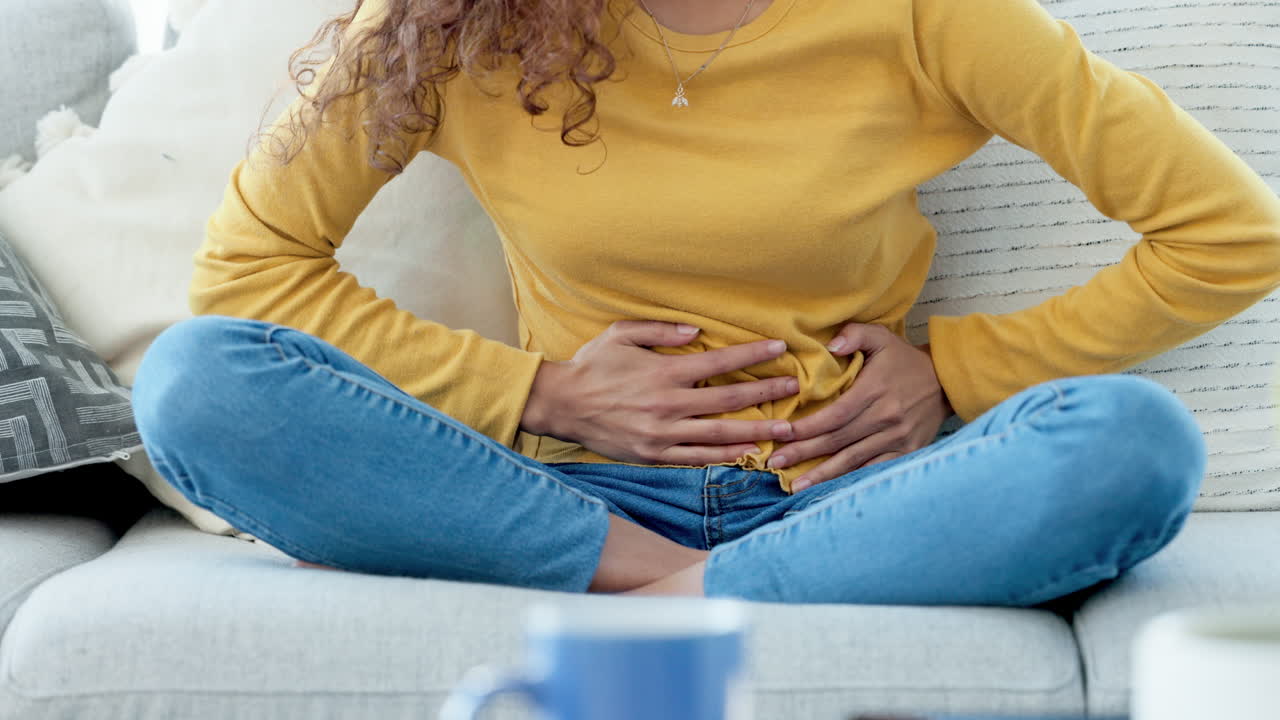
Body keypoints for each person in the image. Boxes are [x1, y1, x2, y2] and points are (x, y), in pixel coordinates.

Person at [130, 0, 1280, 605]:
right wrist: (547, 392)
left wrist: (954, 374)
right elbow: (251, 271)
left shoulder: (933, 10)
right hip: (559, 489)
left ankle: (637, 597)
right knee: (198, 380)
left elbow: (1232, 231)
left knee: (1129, 444)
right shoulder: (451, 19)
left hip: (849, 498)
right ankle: (650, 579)